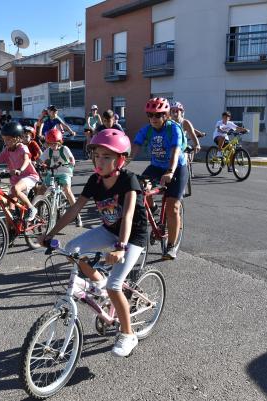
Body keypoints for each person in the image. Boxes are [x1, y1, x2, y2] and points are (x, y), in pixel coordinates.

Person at [39, 129, 148, 357]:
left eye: (107, 157)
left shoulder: (129, 180)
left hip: (132, 236)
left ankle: (128, 334)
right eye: (97, 155)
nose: (100, 161)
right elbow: (75, 208)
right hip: (108, 230)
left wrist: (120, 248)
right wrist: (50, 233)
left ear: (120, 159)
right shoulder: (94, 180)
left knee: (115, 285)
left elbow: (127, 216)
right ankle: (98, 281)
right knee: (71, 249)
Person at [129, 97, 188, 260]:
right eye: (150, 115)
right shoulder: (147, 130)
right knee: (140, 189)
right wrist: (122, 165)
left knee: (172, 207)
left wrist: (170, 171)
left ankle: (171, 245)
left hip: (176, 168)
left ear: (166, 115)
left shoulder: (173, 129)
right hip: (156, 167)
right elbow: (135, 148)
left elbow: (175, 152)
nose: (153, 119)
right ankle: (154, 209)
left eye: (158, 115)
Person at [0, 122, 40, 221]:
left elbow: (26, 159)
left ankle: (31, 208)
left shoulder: (22, 147)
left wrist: (20, 169)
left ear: (18, 138)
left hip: (29, 176)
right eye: (4, 139)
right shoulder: (7, 150)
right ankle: (11, 229)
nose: (6, 142)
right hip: (16, 180)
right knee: (9, 206)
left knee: (15, 190)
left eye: (9, 139)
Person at [39, 128, 82, 227]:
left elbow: (71, 158)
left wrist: (72, 163)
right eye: (50, 144)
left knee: (67, 190)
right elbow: (40, 159)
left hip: (64, 172)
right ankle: (38, 209)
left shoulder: (64, 149)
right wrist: (39, 163)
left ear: (60, 142)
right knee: (41, 189)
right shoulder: (48, 150)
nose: (53, 146)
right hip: (52, 172)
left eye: (55, 143)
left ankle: (77, 215)